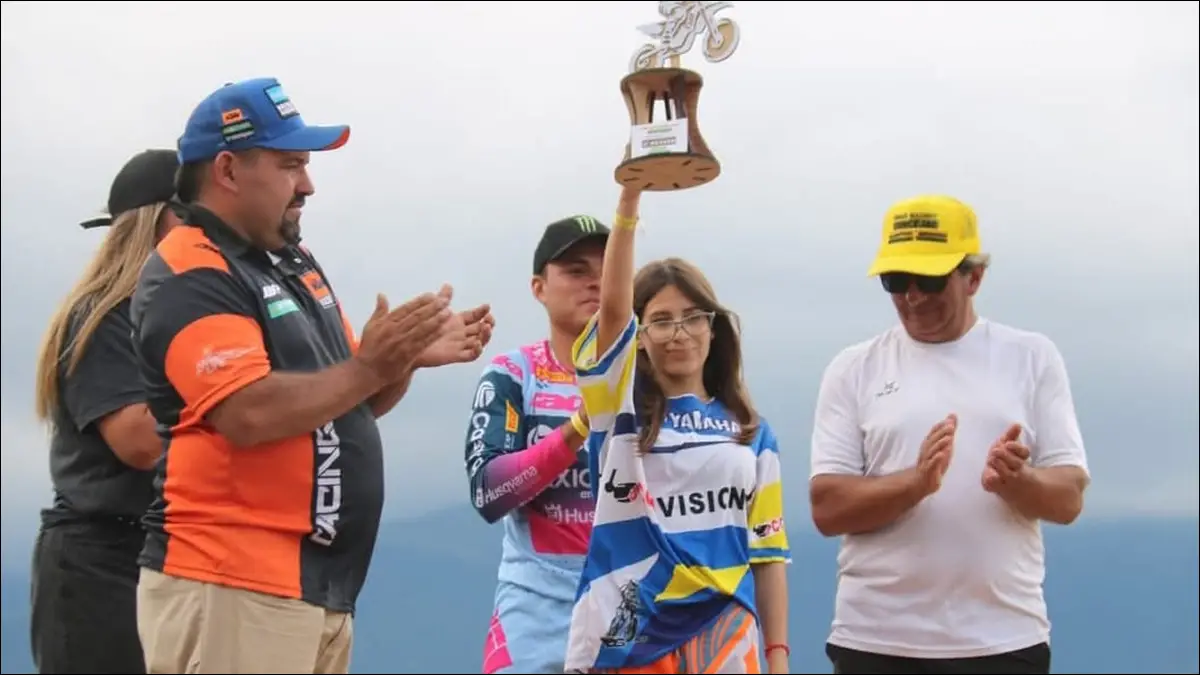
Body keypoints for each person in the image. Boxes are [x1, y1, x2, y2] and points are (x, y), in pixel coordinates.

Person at [130, 76, 495, 675]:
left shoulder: (292, 261)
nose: (308, 185)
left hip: (315, 588)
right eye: (291, 165)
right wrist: (370, 365)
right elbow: (247, 412)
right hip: (232, 581)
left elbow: (348, 400)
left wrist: (399, 359)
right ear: (227, 169)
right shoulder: (190, 271)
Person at [809, 195, 1091, 675]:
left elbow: (1068, 500)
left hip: (1004, 640)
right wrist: (915, 483)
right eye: (896, 281)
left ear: (974, 278)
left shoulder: (1032, 357)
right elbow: (828, 509)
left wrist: (1020, 482)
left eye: (931, 279)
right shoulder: (853, 368)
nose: (912, 295)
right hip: (876, 640)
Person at [563, 186, 792, 675]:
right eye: (661, 321)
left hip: (725, 626)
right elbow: (613, 312)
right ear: (639, 339)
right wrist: (628, 205)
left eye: (693, 318)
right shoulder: (616, 412)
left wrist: (778, 657)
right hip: (628, 632)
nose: (680, 332)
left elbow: (768, 555)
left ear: (714, 328)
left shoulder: (751, 432)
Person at [30, 148, 183, 674]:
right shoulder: (105, 317)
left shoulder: (164, 316)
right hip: (101, 559)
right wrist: (240, 415)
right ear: (167, 219)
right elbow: (139, 442)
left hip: (157, 551)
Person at [465, 215, 609, 674]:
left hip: (630, 612)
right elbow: (488, 493)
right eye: (576, 270)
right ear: (539, 287)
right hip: (534, 620)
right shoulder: (513, 374)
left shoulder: (648, 381)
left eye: (609, 271)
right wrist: (576, 428)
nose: (595, 283)